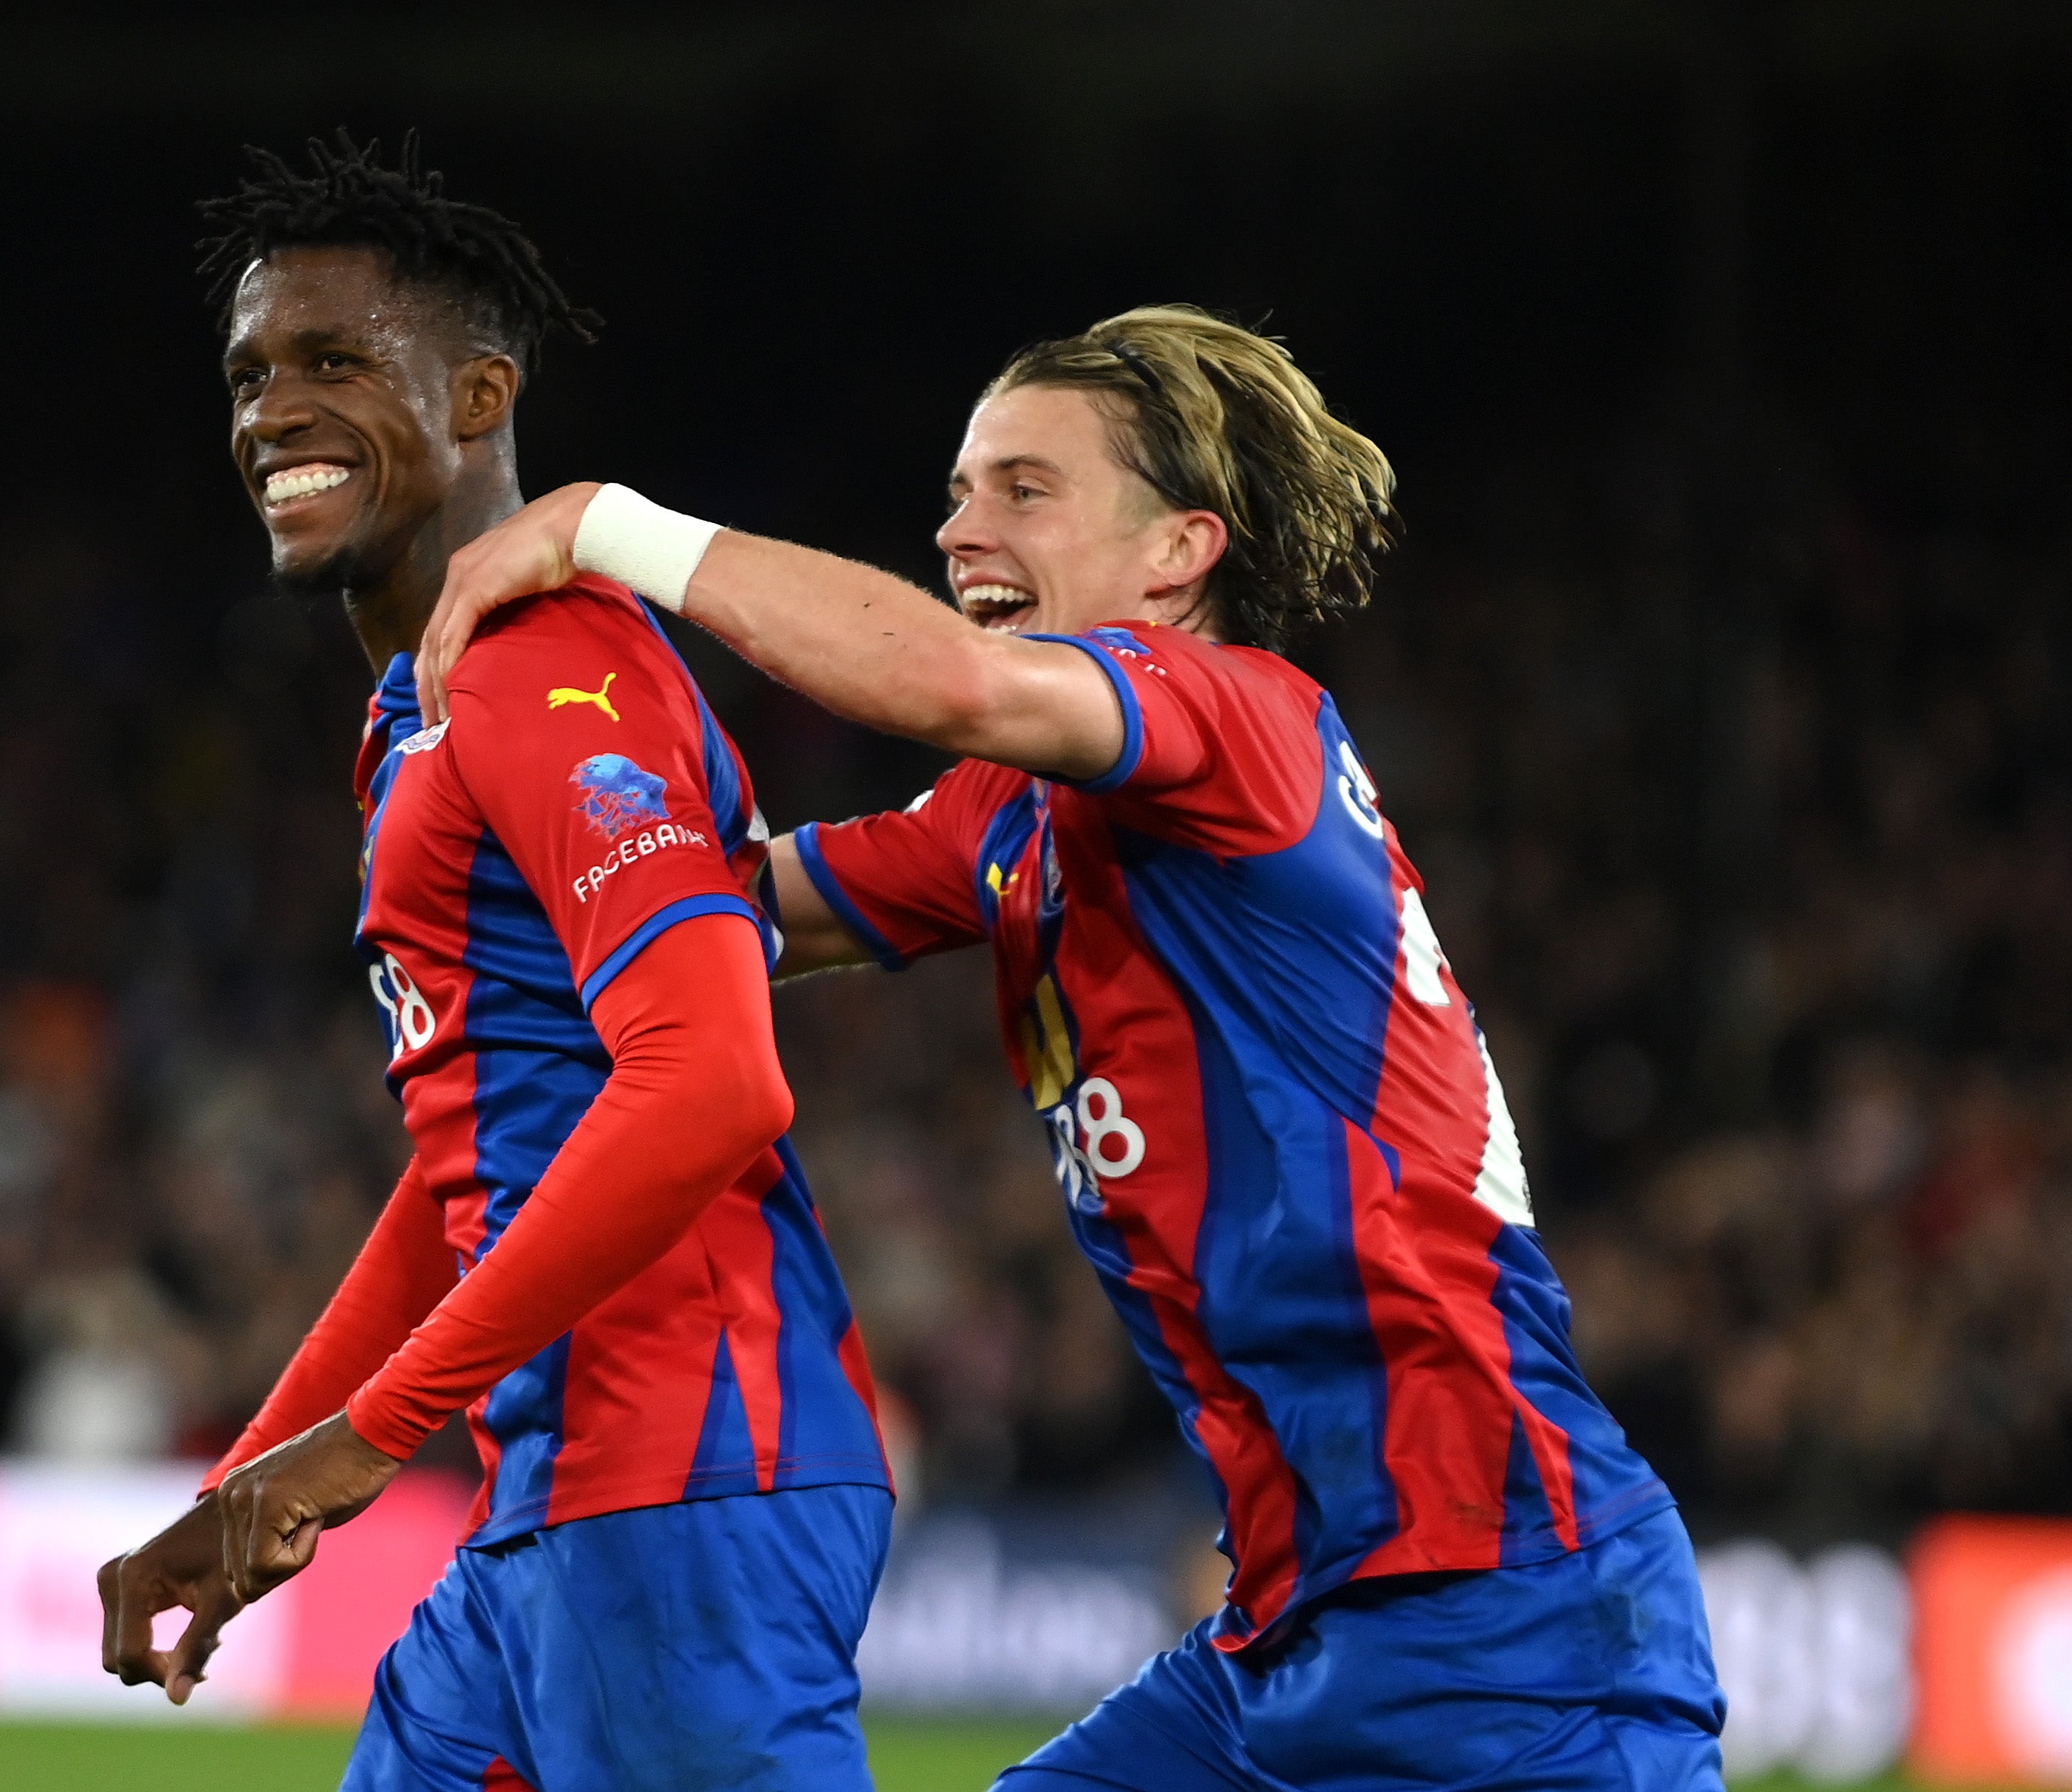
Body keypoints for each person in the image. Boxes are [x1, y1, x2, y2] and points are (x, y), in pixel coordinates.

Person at [418, 306, 1727, 1791]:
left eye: (1022, 489)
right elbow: (714, 903)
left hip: (1516, 1618)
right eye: (962, 488)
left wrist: (605, 527)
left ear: (1180, 551)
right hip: (1283, 1642)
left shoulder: (1244, 721)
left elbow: (952, 684)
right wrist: (490, 804)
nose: (958, 524)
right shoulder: (1003, 819)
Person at [93, 137, 892, 1792]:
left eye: (331, 362)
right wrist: (248, 1487)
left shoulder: (551, 670)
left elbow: (716, 1079)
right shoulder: (415, 717)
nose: (269, 414)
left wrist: (361, 1446)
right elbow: (469, 1177)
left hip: (688, 1484)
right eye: (250, 375)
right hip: (560, 1498)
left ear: (476, 399)